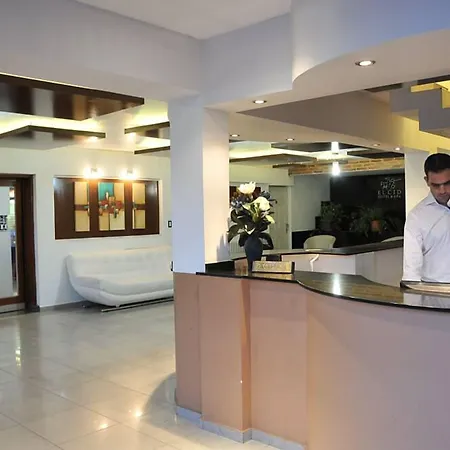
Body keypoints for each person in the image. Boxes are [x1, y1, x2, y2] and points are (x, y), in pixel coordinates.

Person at [403, 153, 450, 282]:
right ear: (426, 181)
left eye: (447, 183)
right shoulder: (416, 217)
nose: (442, 191)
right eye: (436, 185)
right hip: (435, 289)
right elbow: (411, 265)